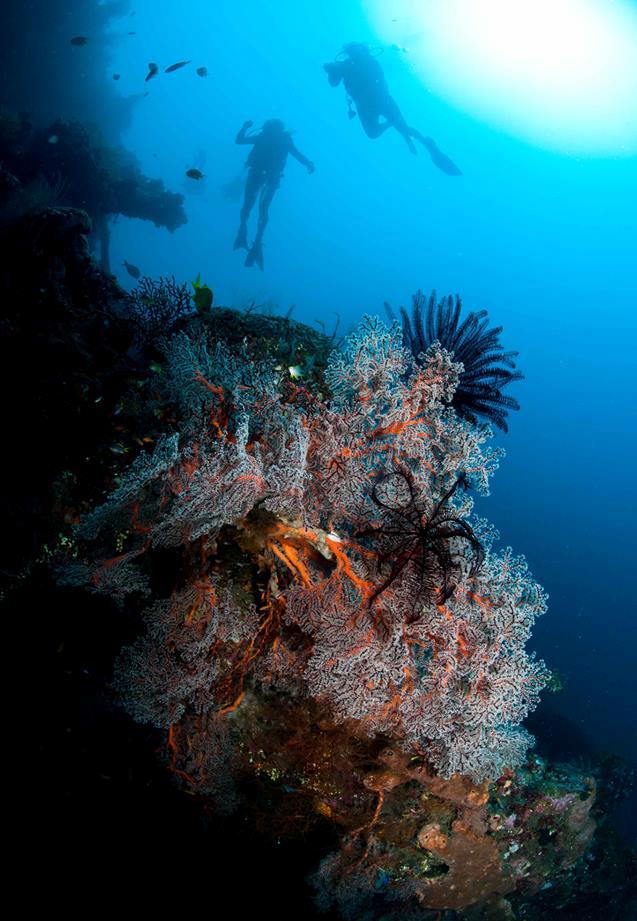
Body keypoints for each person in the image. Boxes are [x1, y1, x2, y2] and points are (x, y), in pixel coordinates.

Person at [323, 43, 461, 175]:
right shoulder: (347, 65)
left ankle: (429, 146)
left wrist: (334, 70)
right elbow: (333, 83)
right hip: (369, 104)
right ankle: (399, 127)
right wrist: (331, 72)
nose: (354, 54)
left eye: (355, 51)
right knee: (375, 133)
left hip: (381, 101)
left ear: (362, 51)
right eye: (351, 52)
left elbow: (339, 82)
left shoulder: (367, 62)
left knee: (402, 129)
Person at [233, 119, 315, 269]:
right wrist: (308, 163)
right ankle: (257, 239)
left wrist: (244, 127)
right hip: (271, 177)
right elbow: (297, 154)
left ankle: (243, 230)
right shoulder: (284, 139)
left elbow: (239, 140)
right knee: (262, 209)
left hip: (258, 175)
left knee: (248, 206)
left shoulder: (262, 136)